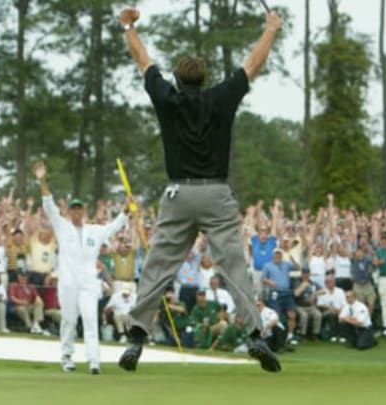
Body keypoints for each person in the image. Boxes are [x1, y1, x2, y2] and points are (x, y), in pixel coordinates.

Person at [117, 6, 284, 373]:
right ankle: (255, 333)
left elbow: (142, 58)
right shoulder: (221, 98)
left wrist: (128, 25)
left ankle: (137, 336)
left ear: (176, 78)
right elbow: (252, 66)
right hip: (215, 194)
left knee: (158, 266)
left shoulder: (167, 98)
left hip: (178, 194)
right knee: (233, 266)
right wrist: (271, 29)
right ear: (204, 78)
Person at [34, 162, 130, 375]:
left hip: (88, 282)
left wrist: (125, 211)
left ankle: (94, 361)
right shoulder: (62, 226)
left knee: (90, 318)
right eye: (73, 209)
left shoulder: (94, 231)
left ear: (84, 211)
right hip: (68, 282)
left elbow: (114, 227)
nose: (76, 212)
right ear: (69, 212)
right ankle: (67, 357)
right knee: (69, 319)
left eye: (79, 209)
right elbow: (49, 205)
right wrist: (42, 180)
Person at [262, 249, 298, 344]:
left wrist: (293, 260)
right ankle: (274, 336)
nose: (277, 256)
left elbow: (298, 268)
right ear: (273, 255)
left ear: (281, 256)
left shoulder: (286, 264)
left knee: (292, 315)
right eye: (276, 255)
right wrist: (269, 281)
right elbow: (263, 278)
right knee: (275, 316)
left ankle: (290, 335)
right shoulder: (267, 265)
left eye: (279, 255)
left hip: (287, 292)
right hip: (275, 292)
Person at [294, 268, 323, 341]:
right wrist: (303, 286)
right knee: (304, 316)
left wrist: (314, 294)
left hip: (311, 306)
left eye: (307, 273)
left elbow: (324, 291)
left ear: (309, 274)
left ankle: (315, 334)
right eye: (304, 273)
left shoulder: (313, 283)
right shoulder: (297, 282)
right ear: (302, 274)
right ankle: (302, 335)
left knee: (318, 315)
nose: (306, 275)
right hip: (299, 306)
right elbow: (296, 294)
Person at [316, 274, 346, 342]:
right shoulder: (322, 291)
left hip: (340, 310)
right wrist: (329, 308)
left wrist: (340, 310)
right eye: (328, 282)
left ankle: (342, 335)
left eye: (331, 281)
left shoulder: (340, 291)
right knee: (331, 314)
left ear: (334, 282)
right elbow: (319, 305)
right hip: (327, 311)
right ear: (325, 283)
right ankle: (334, 335)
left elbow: (344, 303)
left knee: (343, 315)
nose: (330, 283)